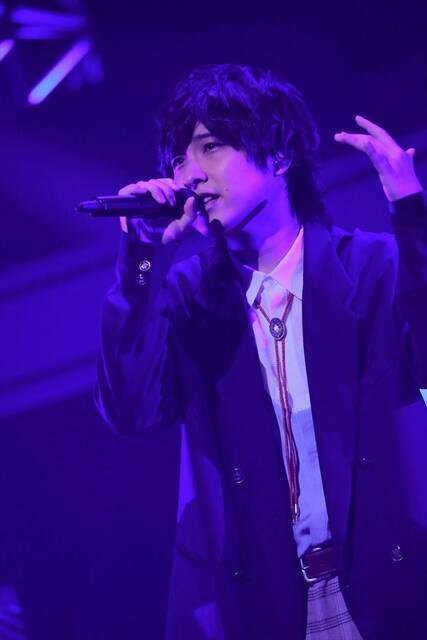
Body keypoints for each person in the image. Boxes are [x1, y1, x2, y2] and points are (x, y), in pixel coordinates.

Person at [95, 64, 427, 640]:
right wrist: (142, 261)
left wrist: (412, 212)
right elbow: (130, 411)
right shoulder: (188, 296)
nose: (189, 174)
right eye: (176, 159)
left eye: (211, 146)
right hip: (269, 608)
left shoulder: (372, 269)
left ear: (278, 154)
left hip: (393, 587)